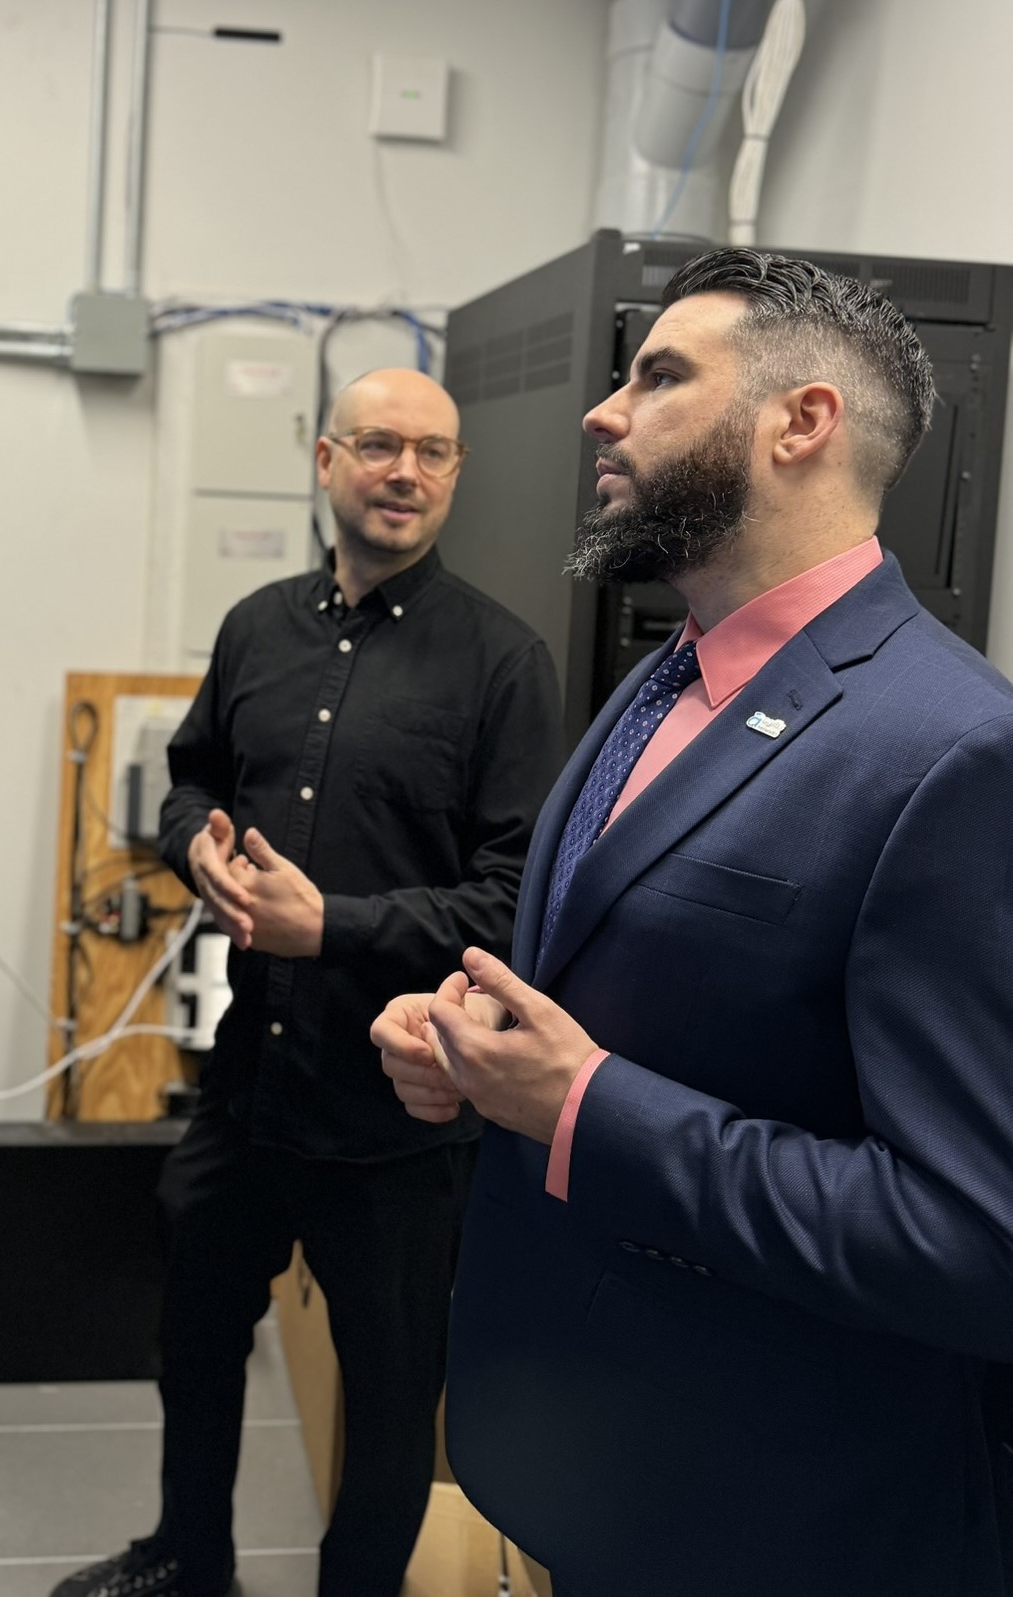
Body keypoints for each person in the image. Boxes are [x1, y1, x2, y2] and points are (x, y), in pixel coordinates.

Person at [373, 248, 1013, 1597]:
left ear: (803, 423)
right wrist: (477, 1053)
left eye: (659, 376)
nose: (604, 412)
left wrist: (583, 1107)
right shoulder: (666, 677)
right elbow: (640, 997)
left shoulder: (954, 752)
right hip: (592, 1458)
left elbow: (971, 1239)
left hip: (767, 1519)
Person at [52, 368, 564, 1597]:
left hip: (397, 1117)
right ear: (327, 459)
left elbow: (513, 901)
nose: (407, 472)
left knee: (391, 1400)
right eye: (382, 444)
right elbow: (187, 781)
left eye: (435, 453)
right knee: (194, 1332)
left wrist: (326, 923)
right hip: (248, 1089)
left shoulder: (503, 663)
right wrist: (199, 851)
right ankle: (188, 1558)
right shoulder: (255, 629)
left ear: (453, 477)